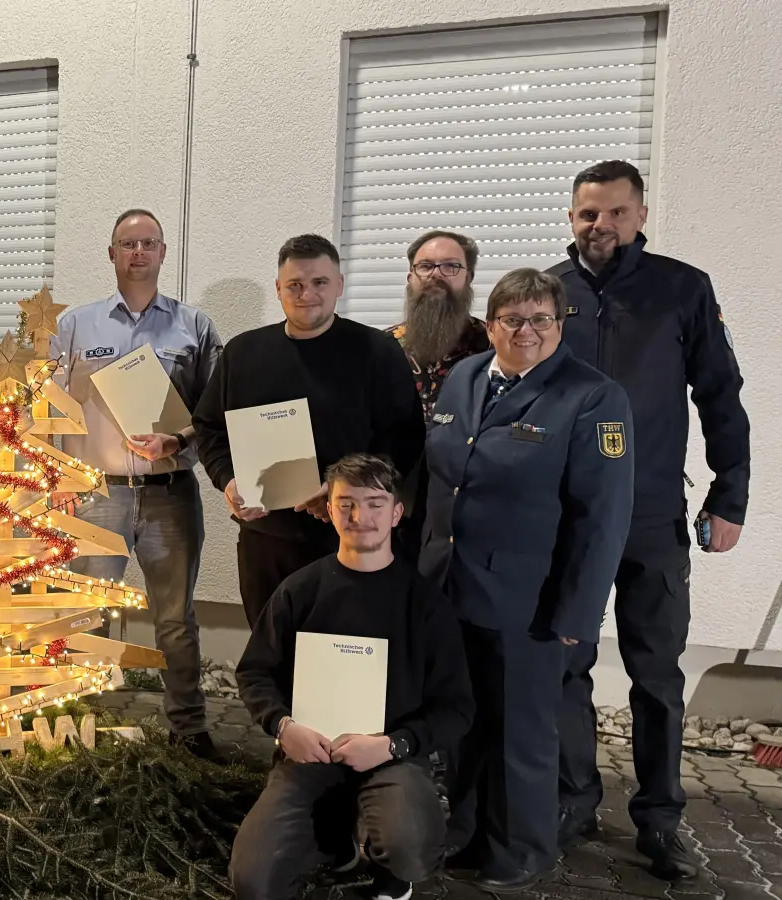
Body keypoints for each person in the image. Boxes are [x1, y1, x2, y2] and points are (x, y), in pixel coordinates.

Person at [548, 161, 750, 879]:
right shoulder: (549, 293)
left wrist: (730, 497)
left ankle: (661, 819)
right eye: (585, 214)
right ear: (571, 218)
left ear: (638, 215)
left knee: (656, 673)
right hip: (566, 517)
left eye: (612, 213)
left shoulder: (682, 289)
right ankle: (574, 799)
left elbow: (721, 395)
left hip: (652, 513)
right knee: (565, 662)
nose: (597, 225)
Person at [419, 268, 634, 891]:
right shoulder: (463, 378)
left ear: (560, 323)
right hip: (452, 587)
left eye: (541, 317)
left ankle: (521, 851)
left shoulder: (593, 397)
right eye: (513, 318)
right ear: (490, 325)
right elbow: (441, 478)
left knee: (521, 735)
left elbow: (603, 519)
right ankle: (464, 833)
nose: (527, 330)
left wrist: (578, 615)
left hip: (529, 603)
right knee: (462, 726)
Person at [231, 454, 473, 900]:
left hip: (391, 755)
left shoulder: (424, 604)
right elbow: (255, 672)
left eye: (375, 503)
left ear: (397, 513)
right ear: (329, 510)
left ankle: (391, 877)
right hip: (309, 754)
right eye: (346, 504)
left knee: (411, 849)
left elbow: (456, 708)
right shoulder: (300, 591)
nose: (360, 517)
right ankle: (334, 837)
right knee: (253, 881)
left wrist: (394, 744)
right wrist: (283, 727)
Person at [48, 209, 224, 760]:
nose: (138, 252)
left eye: (148, 243)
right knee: (88, 613)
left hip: (170, 494)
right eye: (128, 243)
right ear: (112, 254)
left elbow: (213, 410)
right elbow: (49, 409)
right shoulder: (76, 324)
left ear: (164, 252)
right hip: (97, 494)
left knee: (174, 618)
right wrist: (57, 477)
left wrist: (178, 441)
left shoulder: (193, 326)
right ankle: (77, 725)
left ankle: (189, 729)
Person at [193, 234, 424, 627]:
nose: (307, 295)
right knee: (271, 655)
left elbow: (404, 439)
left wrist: (341, 490)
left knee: (341, 658)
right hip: (265, 540)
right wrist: (228, 481)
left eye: (319, 283)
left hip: (349, 536)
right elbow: (210, 427)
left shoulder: (377, 351)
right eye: (295, 285)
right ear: (279, 289)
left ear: (339, 285)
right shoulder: (243, 353)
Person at [387, 230, 491, 562]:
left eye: (450, 267)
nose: (436, 275)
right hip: (396, 507)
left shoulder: (495, 346)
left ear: (469, 277)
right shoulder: (382, 348)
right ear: (410, 276)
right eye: (426, 266)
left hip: (471, 508)